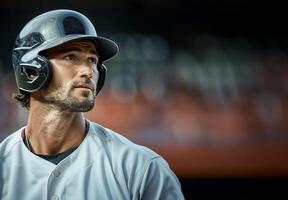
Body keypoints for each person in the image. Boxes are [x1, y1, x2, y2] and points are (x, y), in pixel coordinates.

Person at [0, 9, 184, 200]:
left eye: (92, 60)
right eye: (70, 57)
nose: (88, 71)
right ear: (31, 70)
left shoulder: (141, 168)